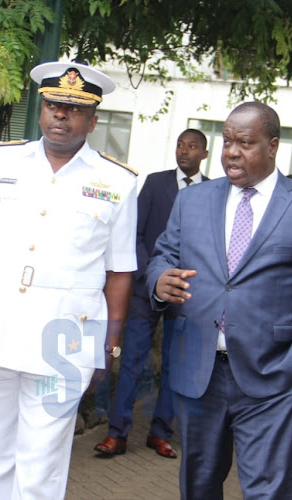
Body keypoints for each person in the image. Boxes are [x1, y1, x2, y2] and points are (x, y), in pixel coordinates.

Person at [0, 61, 138, 499]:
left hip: (66, 340)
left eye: (74, 109)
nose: (61, 115)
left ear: (92, 119)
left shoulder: (118, 182)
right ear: (41, 110)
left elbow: (120, 270)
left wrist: (108, 346)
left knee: (42, 459)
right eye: (53, 105)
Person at [146, 101, 292, 499]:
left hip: (278, 377)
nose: (232, 152)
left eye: (245, 143)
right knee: (198, 484)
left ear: (273, 146)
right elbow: (164, 254)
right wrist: (158, 281)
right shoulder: (193, 200)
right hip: (200, 373)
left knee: (268, 490)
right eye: (227, 142)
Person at [94, 129, 209, 458]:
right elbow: (137, 233)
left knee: (176, 365)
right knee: (132, 360)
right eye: (180, 145)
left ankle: (160, 433)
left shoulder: (214, 191)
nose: (184, 151)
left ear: (203, 153)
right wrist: (149, 276)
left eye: (191, 147)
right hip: (148, 289)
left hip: (187, 292)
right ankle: (117, 434)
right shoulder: (156, 183)